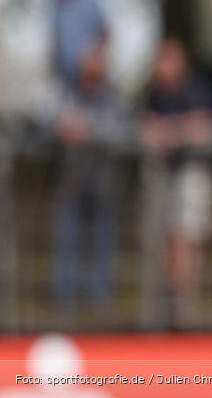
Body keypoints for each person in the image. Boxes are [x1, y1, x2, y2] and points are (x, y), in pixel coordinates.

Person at [139, 39, 212, 314]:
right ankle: (167, 302)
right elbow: (145, 130)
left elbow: (203, 128)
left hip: (190, 174)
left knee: (188, 236)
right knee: (164, 240)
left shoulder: (195, 89)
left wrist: (170, 132)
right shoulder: (153, 94)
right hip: (163, 176)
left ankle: (184, 303)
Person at [52, 45, 124, 310]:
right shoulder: (69, 93)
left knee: (101, 241)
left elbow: (115, 129)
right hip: (72, 182)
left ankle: (98, 296)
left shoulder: (112, 96)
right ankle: (65, 296)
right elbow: (58, 124)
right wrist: (83, 129)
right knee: (68, 239)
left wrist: (85, 129)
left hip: (103, 184)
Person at [50, 0, 108, 92]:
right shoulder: (56, 6)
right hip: (65, 75)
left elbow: (104, 31)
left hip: (90, 75)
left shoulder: (88, 1)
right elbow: (55, 40)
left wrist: (94, 57)